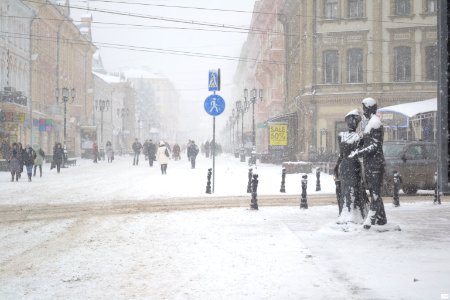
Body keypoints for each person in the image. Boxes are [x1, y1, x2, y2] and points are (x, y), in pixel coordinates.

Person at [349, 97, 387, 229]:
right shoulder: (370, 123)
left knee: (375, 192)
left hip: (376, 164)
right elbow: (367, 143)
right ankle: (381, 218)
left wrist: (359, 153)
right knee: (372, 191)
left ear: (370, 108)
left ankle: (370, 220)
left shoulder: (375, 123)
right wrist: (359, 144)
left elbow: (374, 146)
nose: (363, 111)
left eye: (365, 108)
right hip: (370, 163)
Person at [334, 109, 367, 224]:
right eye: (350, 120)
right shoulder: (341, 135)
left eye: (354, 120)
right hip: (344, 166)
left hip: (354, 166)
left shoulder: (360, 137)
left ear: (357, 123)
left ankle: (355, 213)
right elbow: (341, 154)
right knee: (344, 190)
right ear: (347, 122)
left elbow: (361, 152)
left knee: (355, 190)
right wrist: (336, 165)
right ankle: (345, 212)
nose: (352, 122)